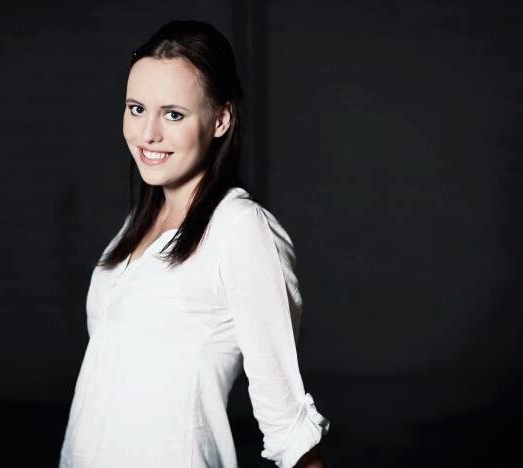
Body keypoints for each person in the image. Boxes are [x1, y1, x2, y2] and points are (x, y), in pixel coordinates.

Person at [59, 20, 329, 468]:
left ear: (220, 119)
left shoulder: (241, 230)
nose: (147, 134)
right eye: (136, 108)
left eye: (173, 114)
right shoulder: (139, 224)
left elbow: (288, 428)